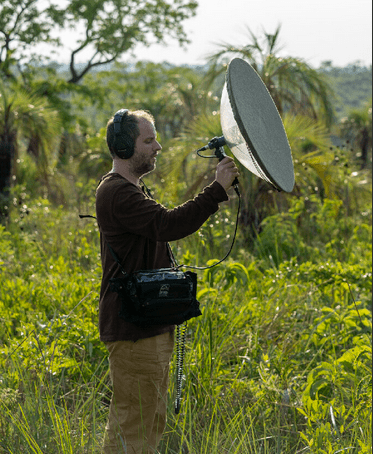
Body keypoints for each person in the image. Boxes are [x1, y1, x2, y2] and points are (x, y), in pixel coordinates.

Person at [95, 109, 239, 454]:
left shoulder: (133, 189)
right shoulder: (117, 193)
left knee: (146, 422)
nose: (157, 146)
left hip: (146, 324)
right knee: (135, 426)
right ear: (123, 147)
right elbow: (168, 224)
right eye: (148, 140)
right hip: (133, 330)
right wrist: (216, 191)